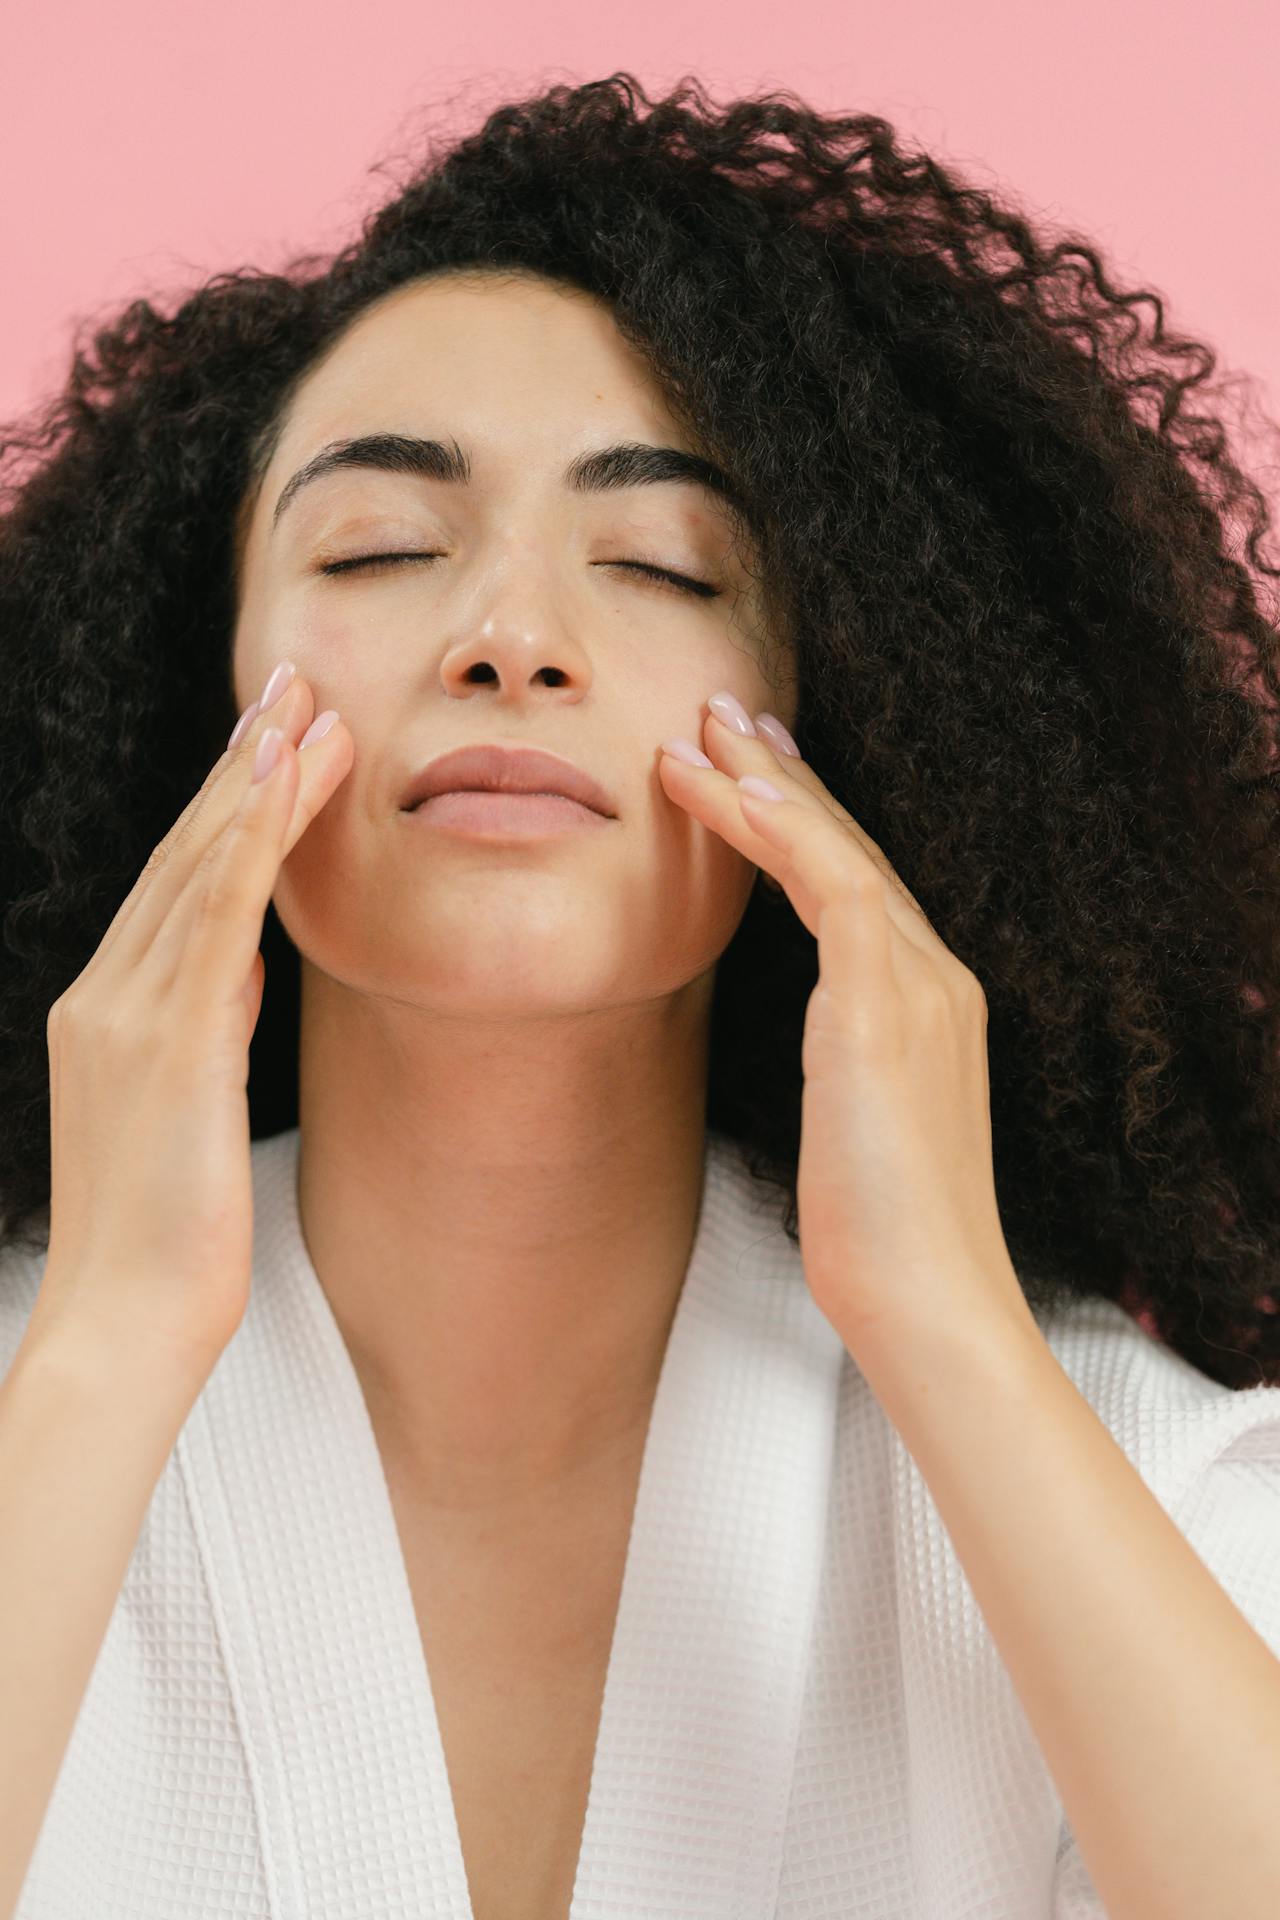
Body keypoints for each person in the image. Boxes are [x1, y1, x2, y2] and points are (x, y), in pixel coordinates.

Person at [2, 70, 1280, 1920]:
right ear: (187, 690)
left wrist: (948, 1328)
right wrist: (109, 1339)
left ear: (846, 718)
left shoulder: (1118, 1464)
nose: (511, 634)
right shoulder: (46, 1380)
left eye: (660, 565)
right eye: (374, 547)